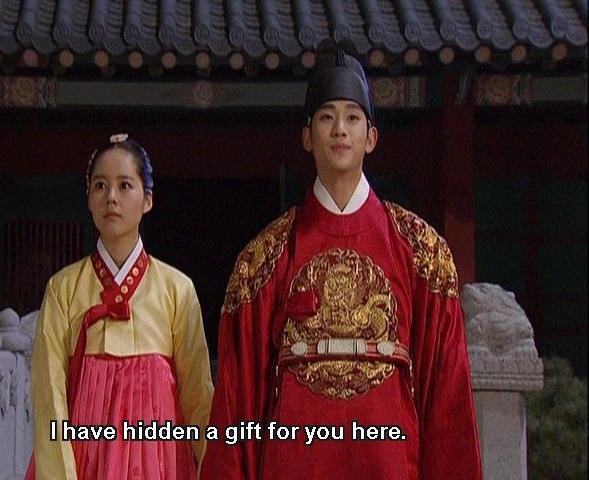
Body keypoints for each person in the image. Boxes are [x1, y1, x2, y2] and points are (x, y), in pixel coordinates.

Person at [201, 42, 483, 480]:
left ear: (371, 137)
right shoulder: (264, 259)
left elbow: (447, 405)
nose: (339, 130)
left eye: (352, 118)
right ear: (306, 136)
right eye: (326, 117)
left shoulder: (421, 252)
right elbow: (237, 409)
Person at [26, 134, 215, 479]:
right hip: (85, 460)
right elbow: (48, 398)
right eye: (100, 186)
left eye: (125, 185)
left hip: (160, 462)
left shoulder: (177, 289)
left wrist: (213, 467)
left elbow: (199, 399)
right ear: (88, 198)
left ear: (148, 200)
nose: (111, 197)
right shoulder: (62, 290)